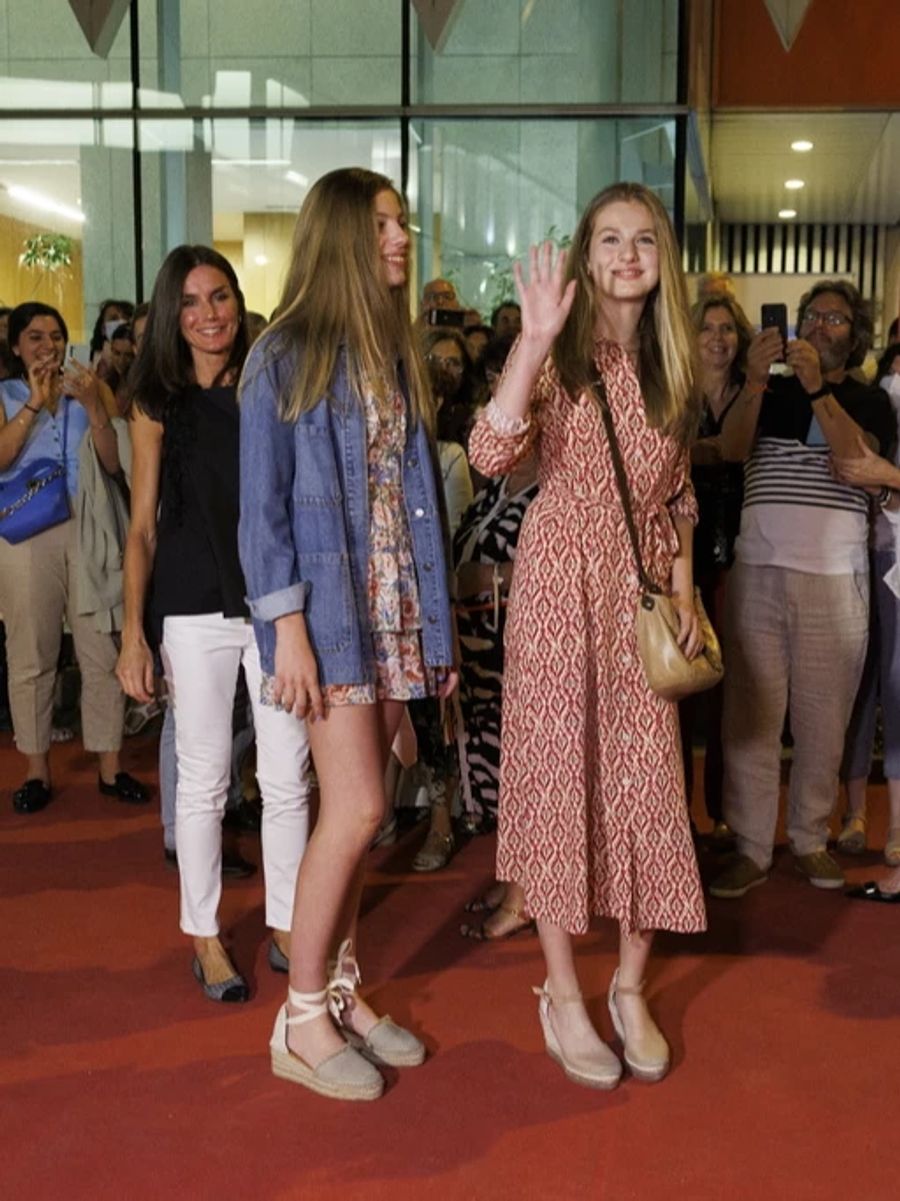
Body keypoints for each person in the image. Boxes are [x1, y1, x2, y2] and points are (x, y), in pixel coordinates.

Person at [468, 182, 706, 1089]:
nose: (627, 254)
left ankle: (631, 984)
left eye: (643, 239)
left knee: (647, 784)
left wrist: (682, 588)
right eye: (608, 239)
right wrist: (528, 343)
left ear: (663, 258)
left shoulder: (675, 364)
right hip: (560, 584)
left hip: (640, 594)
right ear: (584, 253)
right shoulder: (561, 352)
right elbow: (492, 456)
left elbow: (678, 495)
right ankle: (563, 989)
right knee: (561, 781)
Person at [238, 167, 456, 1102]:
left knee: (369, 813)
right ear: (340, 238)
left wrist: (429, 633)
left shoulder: (390, 351)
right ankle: (298, 1018)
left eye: (403, 223)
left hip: (388, 612)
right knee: (359, 808)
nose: (402, 238)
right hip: (324, 618)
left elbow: (412, 512)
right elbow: (263, 513)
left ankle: (340, 987)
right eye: (383, 225)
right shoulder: (282, 354)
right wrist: (285, 624)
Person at [116, 245, 312, 1004]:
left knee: (286, 773)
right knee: (202, 779)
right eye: (192, 301)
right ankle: (204, 934)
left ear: (239, 300)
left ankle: (291, 922)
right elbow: (142, 527)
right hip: (192, 604)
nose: (209, 314)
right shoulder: (154, 400)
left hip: (271, 600)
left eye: (221, 296)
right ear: (173, 312)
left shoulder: (271, 383)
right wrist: (133, 631)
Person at [710, 281, 895, 898]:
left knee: (823, 719)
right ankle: (752, 846)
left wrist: (818, 388)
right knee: (752, 717)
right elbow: (733, 449)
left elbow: (857, 462)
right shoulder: (765, 388)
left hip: (836, 576)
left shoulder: (869, 401)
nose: (820, 325)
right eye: (812, 315)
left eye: (836, 318)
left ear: (856, 334)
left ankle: (811, 837)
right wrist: (760, 380)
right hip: (758, 567)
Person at [0, 302, 144, 813]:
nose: (48, 345)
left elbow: (115, 462)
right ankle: (36, 768)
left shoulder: (88, 386)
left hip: (89, 526)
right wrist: (35, 404)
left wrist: (95, 409)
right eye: (35, 336)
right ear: (16, 344)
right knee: (31, 654)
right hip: (26, 531)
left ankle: (110, 765)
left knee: (100, 650)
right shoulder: (6, 395)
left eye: (56, 335)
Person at [455, 335, 538, 940]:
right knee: (494, 767)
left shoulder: (552, 490)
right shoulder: (496, 488)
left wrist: (496, 576)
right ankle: (511, 875)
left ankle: (528, 893)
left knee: (526, 769)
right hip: (479, 645)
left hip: (523, 650)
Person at [679, 295, 752, 842]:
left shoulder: (755, 391)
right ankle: (677, 812)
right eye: (708, 328)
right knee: (678, 683)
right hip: (683, 551)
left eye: (728, 328)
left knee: (729, 688)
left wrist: (705, 449)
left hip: (741, 552)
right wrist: (710, 451)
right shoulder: (674, 388)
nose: (718, 338)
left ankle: (723, 812)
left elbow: (737, 448)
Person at [407, 330, 474, 873]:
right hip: (389, 598)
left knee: (434, 715)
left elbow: (452, 537)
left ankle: (442, 820)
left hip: (433, 598)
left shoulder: (449, 456)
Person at [836, 342, 900, 868]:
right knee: (862, 684)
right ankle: (855, 813)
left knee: (896, 686)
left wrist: (887, 477)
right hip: (871, 551)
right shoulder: (880, 395)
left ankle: (896, 823)